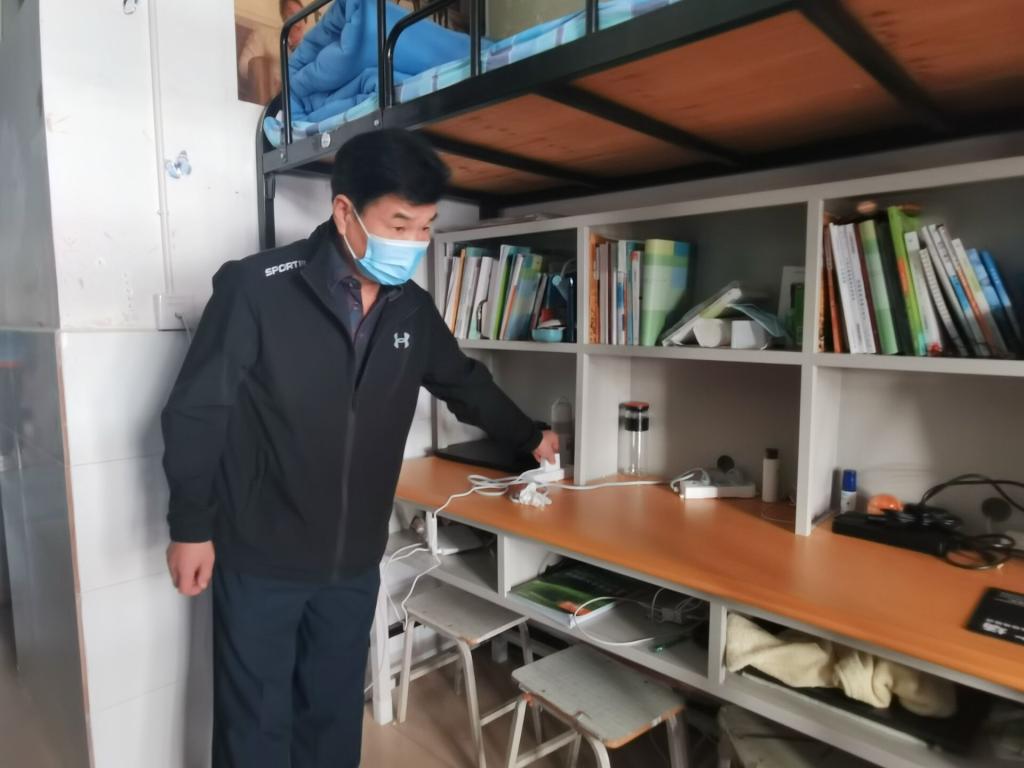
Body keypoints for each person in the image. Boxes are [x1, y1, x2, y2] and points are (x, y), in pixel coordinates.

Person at [161, 128, 558, 768]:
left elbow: (464, 384)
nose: (413, 243)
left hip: (351, 559)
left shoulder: (411, 310)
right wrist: (190, 527)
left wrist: (530, 435)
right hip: (260, 553)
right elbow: (197, 412)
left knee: (333, 714)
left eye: (425, 227)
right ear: (344, 211)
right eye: (399, 224)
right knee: (253, 723)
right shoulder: (257, 289)